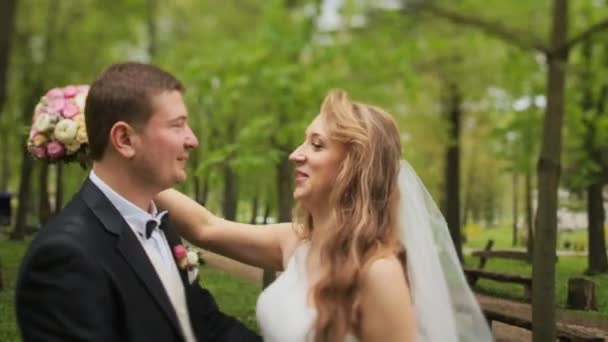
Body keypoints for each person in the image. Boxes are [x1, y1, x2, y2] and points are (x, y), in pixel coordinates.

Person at [157, 89, 493, 342]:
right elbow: (207, 228)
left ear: (353, 168)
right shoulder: (297, 240)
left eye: (316, 145)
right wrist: (131, 173)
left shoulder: (378, 273)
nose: (294, 155)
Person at [15, 62, 261, 342]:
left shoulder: (161, 226)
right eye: (177, 125)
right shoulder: (63, 257)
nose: (192, 140)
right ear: (124, 139)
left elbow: (207, 326)